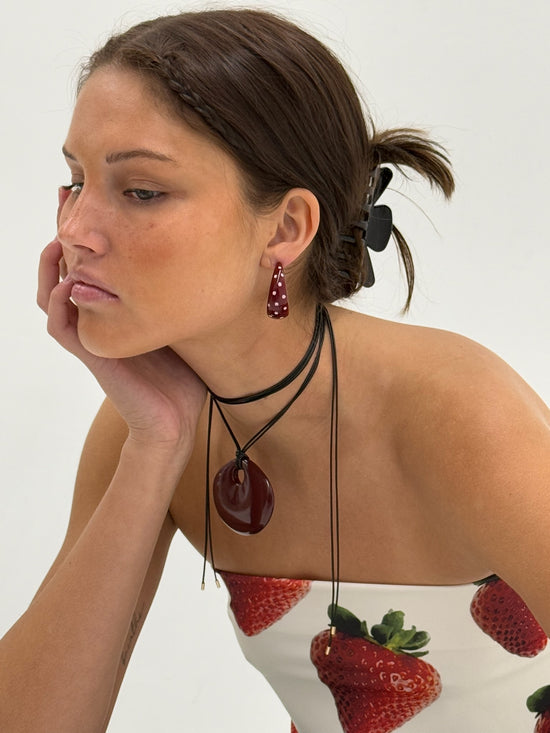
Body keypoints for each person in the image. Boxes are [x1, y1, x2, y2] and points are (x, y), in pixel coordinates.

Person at [1, 7, 549, 733]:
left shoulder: (459, 414)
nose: (74, 230)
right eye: (75, 180)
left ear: (287, 227)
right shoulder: (145, 428)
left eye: (141, 191)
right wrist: (158, 443)